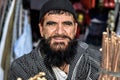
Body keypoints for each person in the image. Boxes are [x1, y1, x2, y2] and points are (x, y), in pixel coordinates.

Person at [8, 0, 101, 80]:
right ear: (41, 29)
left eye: (67, 24)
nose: (60, 32)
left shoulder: (96, 62)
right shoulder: (23, 68)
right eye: (51, 24)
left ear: (75, 29)